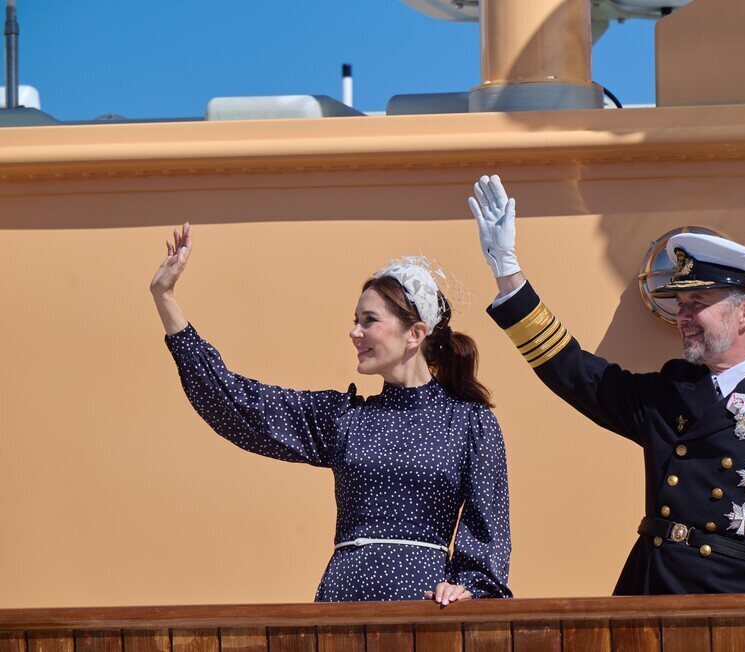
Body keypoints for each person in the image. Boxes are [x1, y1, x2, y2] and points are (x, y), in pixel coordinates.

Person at [468, 175, 745, 595]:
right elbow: (577, 374)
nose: (683, 316)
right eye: (680, 305)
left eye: (698, 304)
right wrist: (509, 274)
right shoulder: (668, 393)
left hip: (740, 608)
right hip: (649, 597)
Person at [150, 223, 512, 603]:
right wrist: (166, 299)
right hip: (343, 604)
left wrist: (469, 589)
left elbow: (487, 535)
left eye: (369, 321)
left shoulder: (471, 423)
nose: (355, 332)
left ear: (415, 333)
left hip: (425, 610)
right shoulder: (344, 418)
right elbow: (239, 403)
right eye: (356, 321)